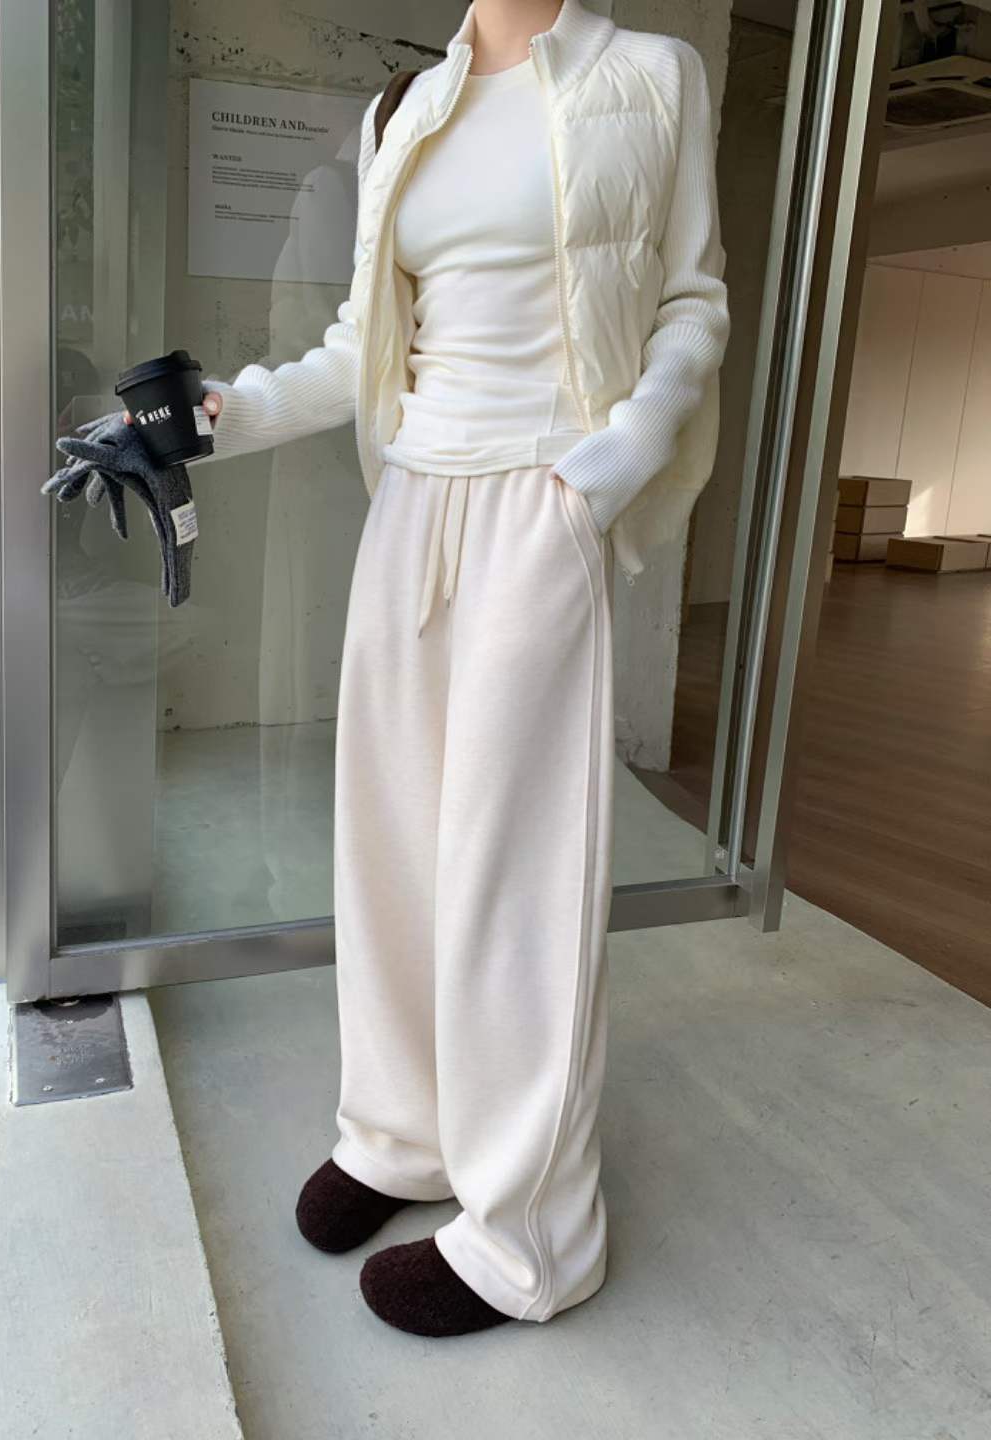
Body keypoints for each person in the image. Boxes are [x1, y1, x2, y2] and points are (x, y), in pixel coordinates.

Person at [170, 0, 730, 1337]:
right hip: (414, 498)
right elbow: (361, 342)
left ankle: (533, 1236)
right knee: (391, 846)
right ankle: (401, 1134)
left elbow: (692, 299)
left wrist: (616, 458)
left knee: (514, 872)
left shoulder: (652, 76)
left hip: (548, 495)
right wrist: (220, 416)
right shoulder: (405, 109)